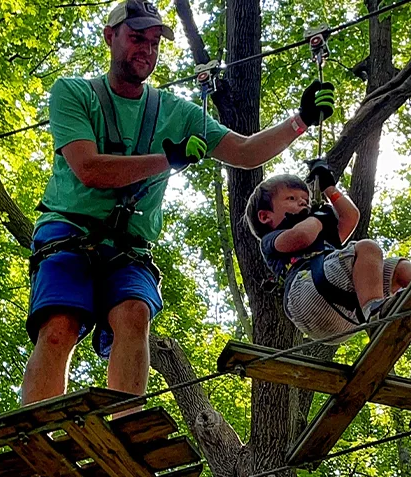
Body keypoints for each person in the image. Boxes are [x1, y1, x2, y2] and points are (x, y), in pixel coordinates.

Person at [22, 0, 337, 406]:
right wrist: (166, 159)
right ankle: (38, 428)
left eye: (154, 42)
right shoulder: (76, 93)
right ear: (110, 37)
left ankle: (125, 429)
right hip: (68, 231)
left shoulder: (175, 112)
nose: (146, 50)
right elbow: (89, 169)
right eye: (137, 38)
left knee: (134, 315)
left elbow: (244, 151)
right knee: (59, 326)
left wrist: (301, 120)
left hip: (129, 247)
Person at [245, 168, 411, 343]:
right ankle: (376, 311)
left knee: (393, 268)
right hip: (306, 295)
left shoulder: (320, 230)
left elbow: (351, 217)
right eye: (291, 199)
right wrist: (316, 216)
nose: (302, 203)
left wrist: (329, 188)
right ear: (266, 216)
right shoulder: (272, 240)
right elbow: (303, 236)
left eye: (305, 199)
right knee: (367, 247)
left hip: (343, 312)